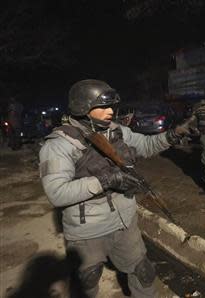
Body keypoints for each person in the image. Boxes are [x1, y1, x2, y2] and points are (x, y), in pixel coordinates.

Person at [39, 79, 188, 297]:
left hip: (125, 222)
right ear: (83, 107)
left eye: (111, 106)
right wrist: (106, 181)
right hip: (87, 231)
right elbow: (57, 192)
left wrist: (174, 135)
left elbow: (146, 145)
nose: (110, 111)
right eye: (103, 107)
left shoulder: (116, 131)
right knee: (86, 282)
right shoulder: (59, 144)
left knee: (143, 272)